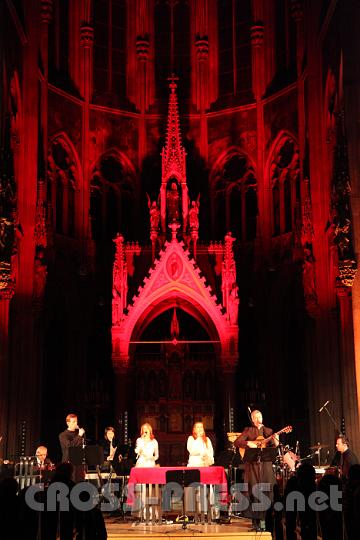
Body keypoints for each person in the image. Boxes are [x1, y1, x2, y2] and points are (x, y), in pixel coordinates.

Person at [234, 410, 279, 533]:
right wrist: (249, 443)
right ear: (253, 419)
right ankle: (255, 521)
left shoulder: (269, 431)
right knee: (253, 489)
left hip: (266, 465)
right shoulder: (248, 430)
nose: (259, 418)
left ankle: (267, 519)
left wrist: (276, 441)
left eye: (261, 416)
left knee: (267, 490)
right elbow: (237, 442)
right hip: (253, 465)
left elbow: (274, 447)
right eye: (256, 416)